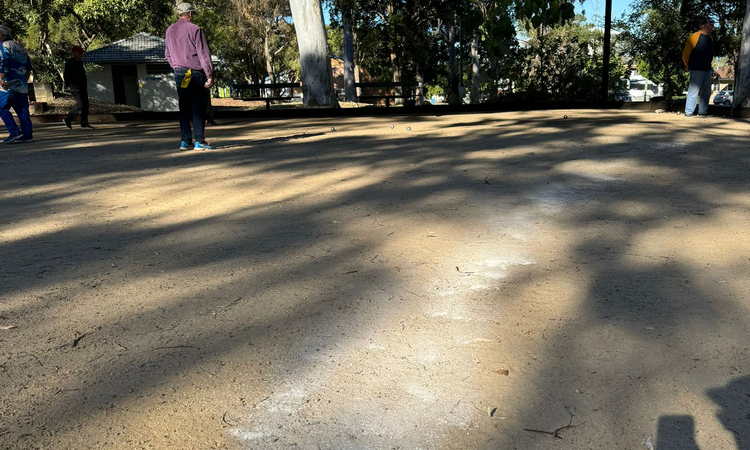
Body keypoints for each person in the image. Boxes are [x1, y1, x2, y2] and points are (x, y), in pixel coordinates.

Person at [165, 2, 214, 150]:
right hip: (194, 73)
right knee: (197, 107)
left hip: (180, 73)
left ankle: (185, 141)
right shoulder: (195, 29)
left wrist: (177, 67)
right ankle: (199, 141)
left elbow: (167, 55)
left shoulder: (169, 30)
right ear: (190, 14)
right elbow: (203, 54)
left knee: (184, 107)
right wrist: (209, 74)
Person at [0, 25, 33, 144]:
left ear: (1, 35)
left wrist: (1, 79)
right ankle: (27, 134)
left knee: (2, 108)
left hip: (8, 84)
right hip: (22, 84)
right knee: (22, 110)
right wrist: (24, 79)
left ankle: (14, 132)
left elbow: (3, 62)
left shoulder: (2, 46)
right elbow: (29, 66)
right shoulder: (20, 47)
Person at [682, 16, 715, 117]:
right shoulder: (694, 36)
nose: (712, 28)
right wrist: (686, 64)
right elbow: (686, 52)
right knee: (694, 90)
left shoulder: (710, 38)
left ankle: (702, 111)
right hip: (696, 68)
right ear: (703, 25)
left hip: (707, 68)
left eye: (713, 26)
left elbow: (710, 53)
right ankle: (689, 111)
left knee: (706, 91)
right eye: (710, 25)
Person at [63, 45, 94, 129]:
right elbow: (66, 75)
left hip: (83, 86)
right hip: (75, 87)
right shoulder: (70, 63)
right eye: (80, 53)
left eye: (82, 53)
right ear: (74, 53)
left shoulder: (80, 62)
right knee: (80, 104)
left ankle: (84, 123)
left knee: (86, 105)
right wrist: (68, 84)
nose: (81, 55)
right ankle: (68, 119)